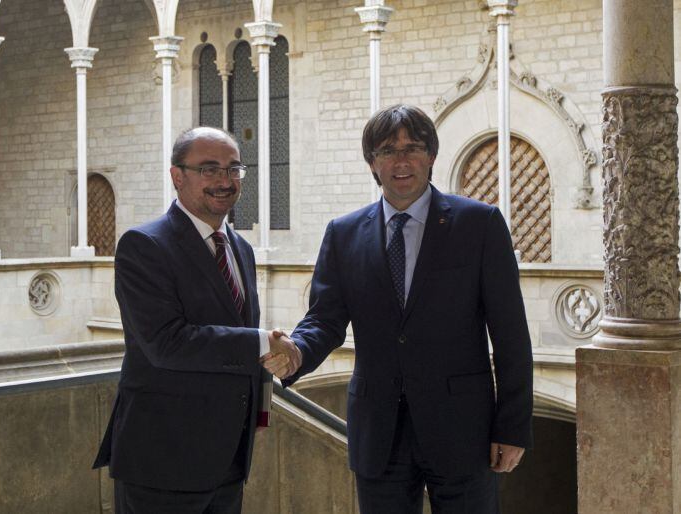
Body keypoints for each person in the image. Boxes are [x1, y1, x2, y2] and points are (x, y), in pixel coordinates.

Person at [269, 105, 533, 514]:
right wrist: (298, 352)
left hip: (462, 430)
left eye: (414, 148)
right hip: (379, 432)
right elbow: (325, 318)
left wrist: (513, 426)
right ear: (372, 163)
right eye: (388, 150)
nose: (402, 160)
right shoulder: (343, 234)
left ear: (431, 156)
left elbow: (511, 332)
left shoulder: (479, 225)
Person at [93, 127, 300, 514]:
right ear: (177, 176)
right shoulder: (144, 245)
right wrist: (262, 342)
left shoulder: (240, 248)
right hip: (163, 459)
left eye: (234, 168)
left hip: (229, 460)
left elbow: (238, 334)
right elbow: (166, 342)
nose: (225, 180)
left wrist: (259, 405)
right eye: (209, 169)